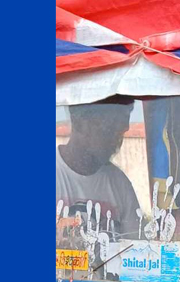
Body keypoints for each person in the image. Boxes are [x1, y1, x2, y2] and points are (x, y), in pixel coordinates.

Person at [56, 100, 141, 247]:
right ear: (80, 122)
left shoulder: (119, 184)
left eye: (120, 134)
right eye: (109, 130)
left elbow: (137, 254)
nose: (116, 141)